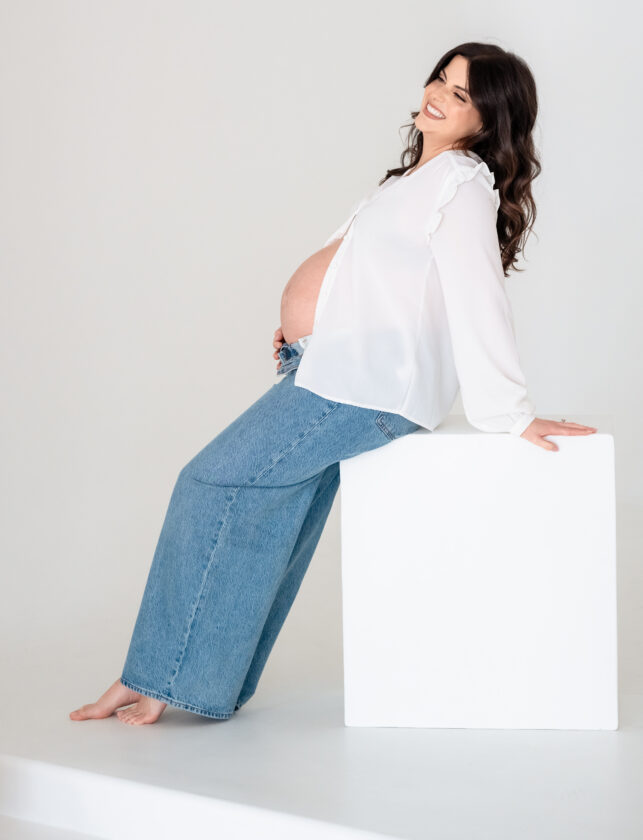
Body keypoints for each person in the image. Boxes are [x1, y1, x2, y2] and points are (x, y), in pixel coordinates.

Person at [70, 42, 596, 726]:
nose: (438, 93)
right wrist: (307, 330)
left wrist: (509, 412)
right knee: (268, 515)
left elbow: (475, 295)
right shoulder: (415, 179)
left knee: (209, 482)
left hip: (361, 387)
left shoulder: (460, 182)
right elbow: (383, 286)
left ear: (487, 118)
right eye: (440, 77)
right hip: (330, 371)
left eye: (461, 94)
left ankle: (156, 680)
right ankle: (197, 687)